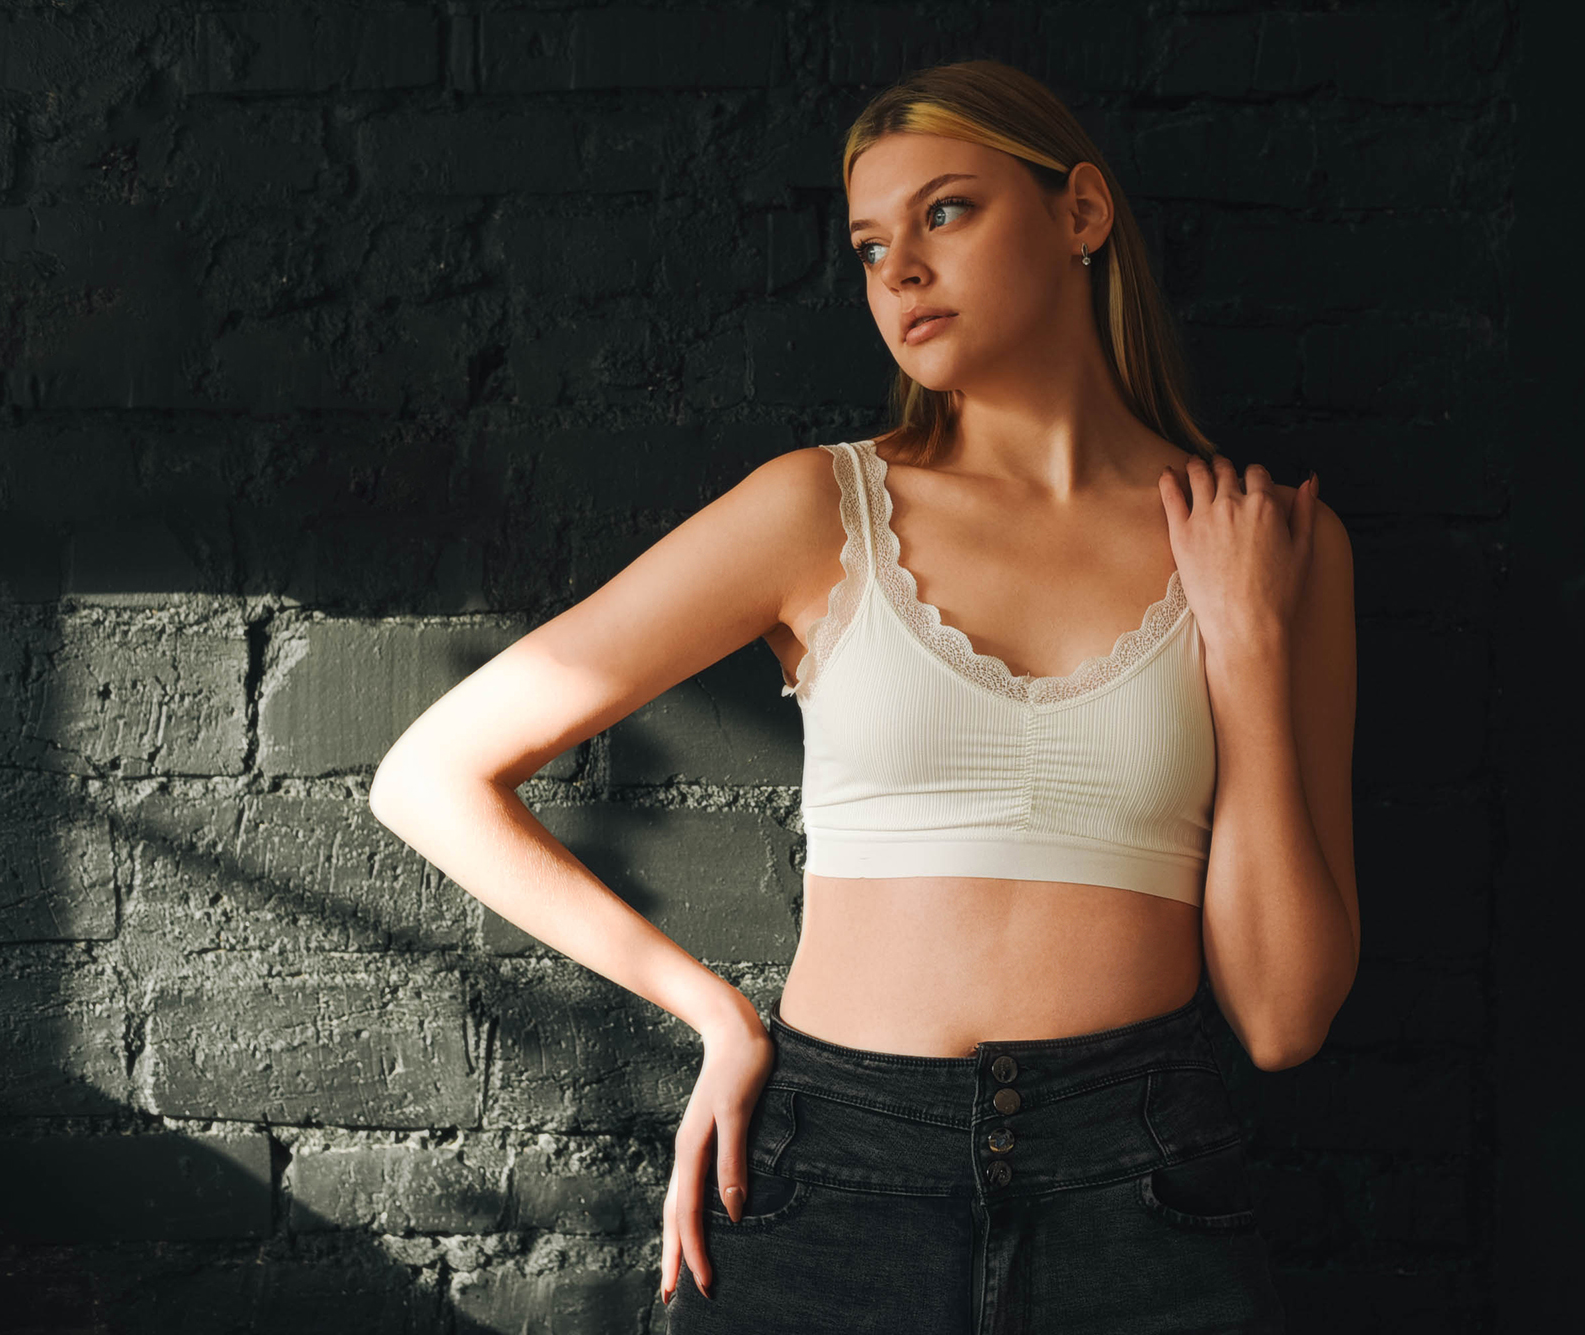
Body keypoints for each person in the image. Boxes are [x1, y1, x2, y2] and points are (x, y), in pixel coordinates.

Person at [370, 58, 1357, 1335]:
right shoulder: (816, 509)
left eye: (945, 212)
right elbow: (431, 775)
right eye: (868, 242)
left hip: (1144, 1191)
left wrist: (1250, 653)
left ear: (1081, 214)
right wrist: (714, 1014)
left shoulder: (1265, 543)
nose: (898, 270)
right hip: (832, 1183)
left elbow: (1281, 1020)